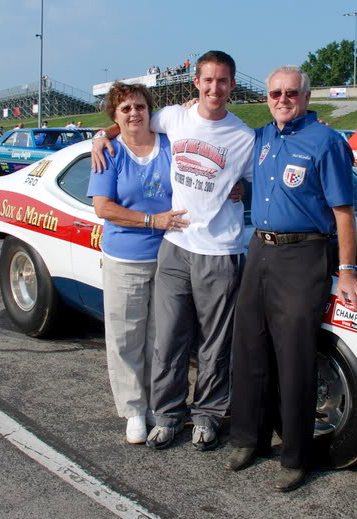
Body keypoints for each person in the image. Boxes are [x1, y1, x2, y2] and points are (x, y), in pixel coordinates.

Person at [92, 51, 255, 452]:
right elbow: (128, 123)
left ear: (232, 85)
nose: (215, 88)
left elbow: (257, 183)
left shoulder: (245, 137)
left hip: (220, 251)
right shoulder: (174, 118)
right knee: (168, 340)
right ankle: (166, 415)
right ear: (195, 83)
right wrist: (101, 135)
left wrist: (245, 188)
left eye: (222, 81)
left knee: (215, 345)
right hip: (175, 248)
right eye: (208, 80)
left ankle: (207, 415)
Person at [225, 65, 357, 492]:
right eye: (275, 93)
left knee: (294, 358)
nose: (283, 99)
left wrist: (346, 271)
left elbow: (345, 213)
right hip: (260, 250)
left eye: (292, 93)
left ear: (306, 97)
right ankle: (247, 439)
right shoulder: (262, 137)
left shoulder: (326, 141)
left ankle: (295, 455)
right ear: (267, 97)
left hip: (303, 254)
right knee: (249, 348)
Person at [87, 82, 188, 444]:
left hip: (169, 258)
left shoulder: (170, 144)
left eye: (140, 106)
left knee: (161, 339)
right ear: (115, 116)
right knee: (126, 337)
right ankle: (133, 410)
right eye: (125, 108)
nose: (134, 113)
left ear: (150, 110)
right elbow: (103, 208)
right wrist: (152, 221)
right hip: (125, 258)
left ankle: (158, 404)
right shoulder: (109, 152)